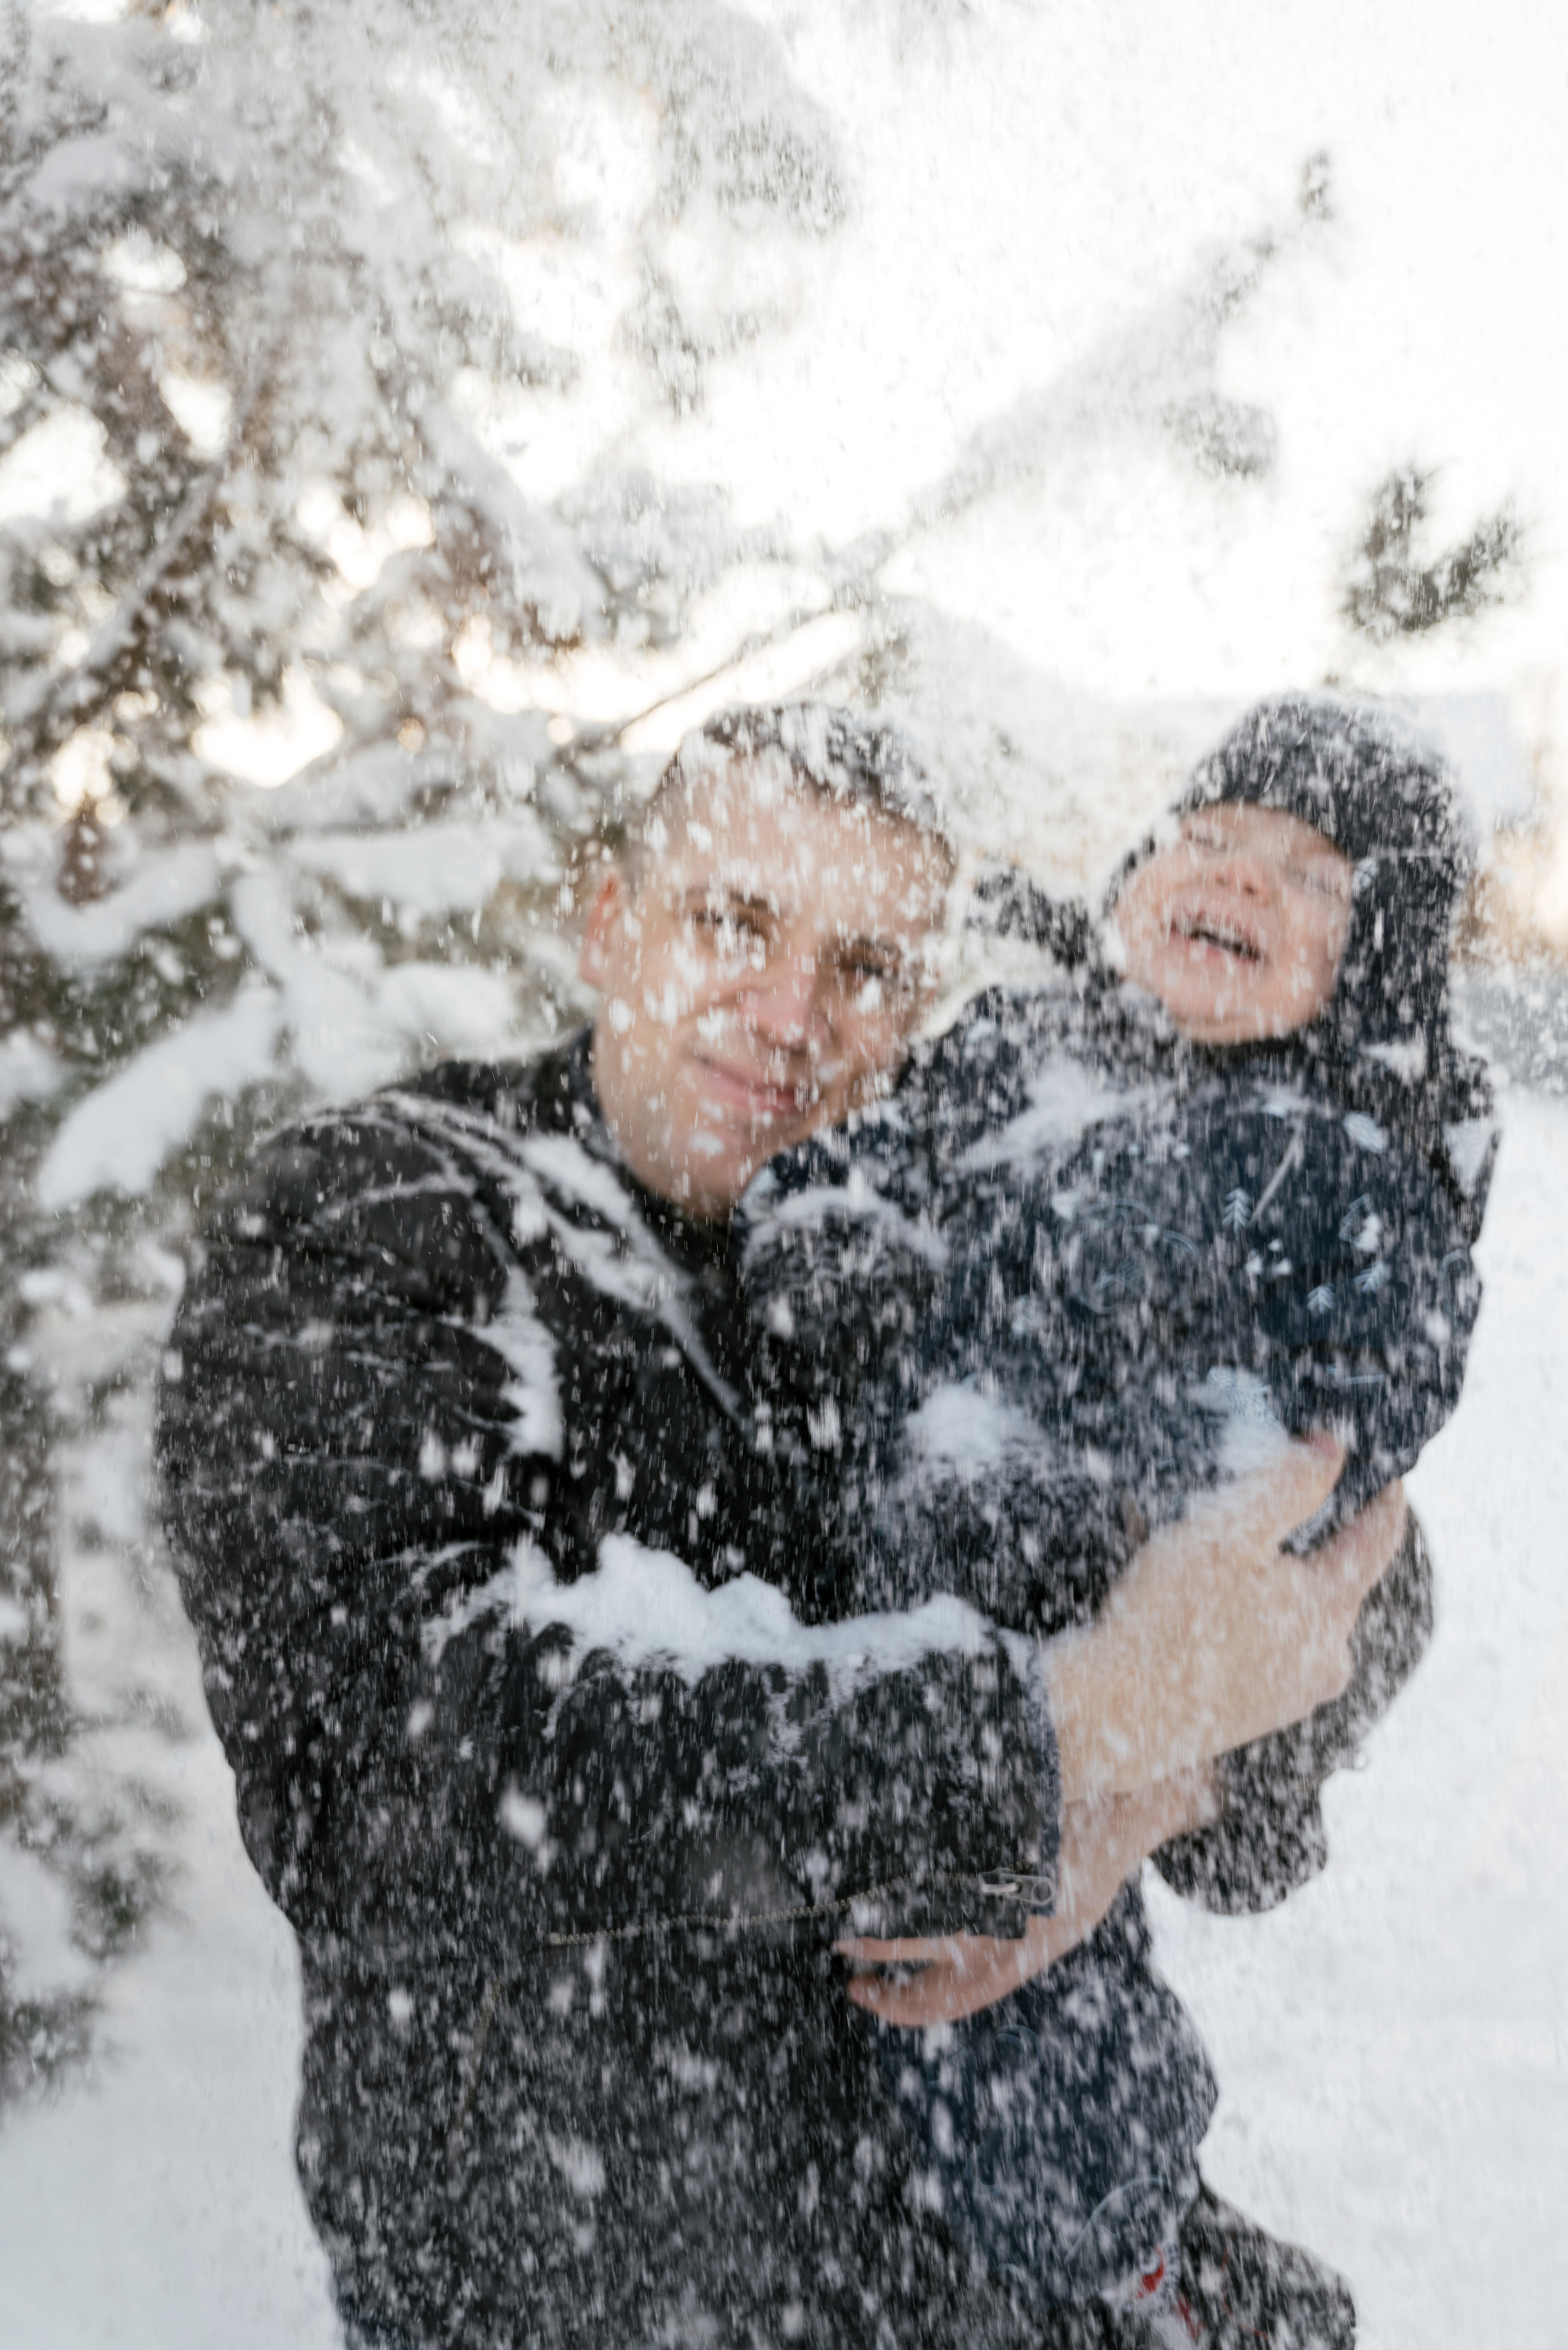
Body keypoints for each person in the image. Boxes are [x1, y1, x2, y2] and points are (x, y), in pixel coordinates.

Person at [156, 703, 1405, 2350]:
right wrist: (1065, 1726)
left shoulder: (952, 1240)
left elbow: (1329, 1563)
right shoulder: (395, 1221)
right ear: (612, 923)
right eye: (736, 922)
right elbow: (394, 1767)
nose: (794, 1016)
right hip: (601, 2292)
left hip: (989, 2278)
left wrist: (1169, 1773)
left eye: (869, 967)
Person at [736, 697, 1494, 2330]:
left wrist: (1153, 1467)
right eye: (1209, 836)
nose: (1233, 875)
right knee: (887, 1989)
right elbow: (850, 1166)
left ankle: (1142, 2269)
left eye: (1308, 875)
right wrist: (830, 1254)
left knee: (1018, 2017)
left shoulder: (1340, 1159)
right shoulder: (1022, 1045)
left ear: (1373, 963)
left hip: (1095, 1611)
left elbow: (1374, 1401)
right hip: (900, 1594)